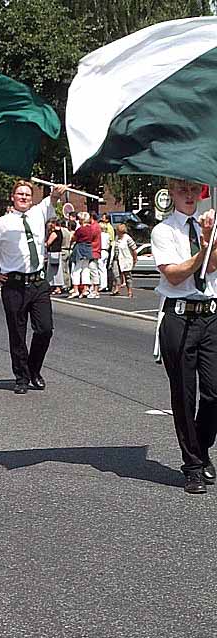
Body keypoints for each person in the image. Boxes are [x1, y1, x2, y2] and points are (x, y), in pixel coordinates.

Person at [151, 178, 217, 494]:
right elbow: (175, 276)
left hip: (210, 316)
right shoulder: (163, 230)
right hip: (179, 316)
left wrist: (210, 242)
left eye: (193, 189)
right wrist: (203, 250)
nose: (189, 195)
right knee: (184, 394)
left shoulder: (211, 226)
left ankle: (201, 448)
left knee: (214, 392)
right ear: (172, 194)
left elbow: (213, 267)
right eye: (182, 190)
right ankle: (191, 465)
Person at [0, 180, 66, 394]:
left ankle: (34, 369)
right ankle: (22, 377)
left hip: (38, 282)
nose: (24, 197)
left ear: (31, 198)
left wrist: (58, 193)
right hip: (14, 284)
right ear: (12, 197)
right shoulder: (1, 223)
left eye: (27, 194)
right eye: (20, 194)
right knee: (17, 333)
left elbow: (52, 199)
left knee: (44, 329)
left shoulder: (38, 213)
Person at [68, 212, 93, 299]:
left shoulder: (80, 229)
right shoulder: (91, 229)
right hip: (88, 248)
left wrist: (71, 242)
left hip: (80, 248)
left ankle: (75, 290)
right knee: (86, 269)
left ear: (82, 220)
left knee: (76, 270)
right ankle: (85, 289)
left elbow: (74, 238)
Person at [115, 223, 137, 297]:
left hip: (126, 259)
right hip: (117, 259)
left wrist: (134, 259)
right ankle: (117, 288)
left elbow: (134, 249)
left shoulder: (127, 238)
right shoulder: (117, 238)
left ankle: (129, 291)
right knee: (116, 275)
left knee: (127, 276)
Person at [45, 219, 64, 294]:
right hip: (58, 252)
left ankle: (56, 287)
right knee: (56, 270)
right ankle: (56, 287)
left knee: (53, 271)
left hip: (53, 253)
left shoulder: (54, 233)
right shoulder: (60, 232)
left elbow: (48, 243)